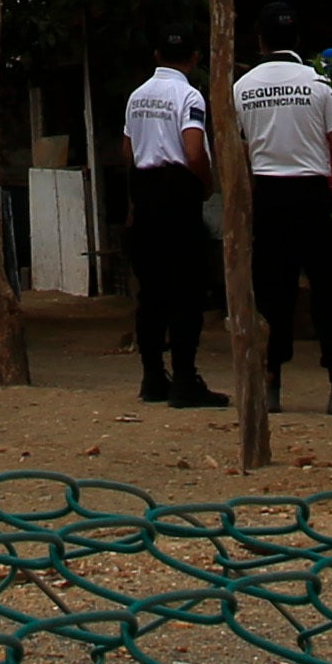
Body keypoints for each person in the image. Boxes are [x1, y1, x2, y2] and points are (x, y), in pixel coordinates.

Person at [232, 43, 332, 416]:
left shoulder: (241, 86)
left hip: (267, 195)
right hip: (314, 194)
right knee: (331, 289)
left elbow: (236, 150)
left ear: (261, 42)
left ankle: (269, 384)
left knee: (269, 293)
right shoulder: (319, 83)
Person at [119, 41, 220, 406]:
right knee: (187, 291)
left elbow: (128, 150)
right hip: (177, 192)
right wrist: (207, 182)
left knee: (151, 292)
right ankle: (184, 378)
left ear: (157, 54)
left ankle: (151, 377)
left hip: (145, 191)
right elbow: (193, 150)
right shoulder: (189, 96)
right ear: (194, 57)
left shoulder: (137, 97)